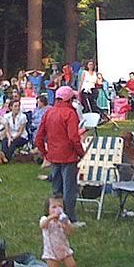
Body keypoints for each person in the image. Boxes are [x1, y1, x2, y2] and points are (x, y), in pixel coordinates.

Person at [36, 86, 86, 227]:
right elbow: (73, 137)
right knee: (69, 189)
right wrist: (80, 153)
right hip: (68, 156)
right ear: (69, 99)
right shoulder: (70, 114)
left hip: (53, 155)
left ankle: (56, 216)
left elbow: (39, 137)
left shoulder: (48, 112)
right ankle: (70, 219)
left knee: (56, 189)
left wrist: (45, 153)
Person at [40, 196, 80, 267]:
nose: (57, 209)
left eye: (60, 206)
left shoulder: (64, 220)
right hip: (51, 251)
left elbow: (70, 231)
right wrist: (51, 217)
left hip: (64, 249)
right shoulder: (45, 219)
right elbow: (42, 225)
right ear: (48, 210)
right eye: (54, 207)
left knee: (72, 266)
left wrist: (66, 225)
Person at [0, 99, 28, 164]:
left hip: (21, 136)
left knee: (13, 143)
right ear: (11, 107)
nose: (17, 108)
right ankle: (4, 157)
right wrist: (9, 138)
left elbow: (20, 131)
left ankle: (5, 157)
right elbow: (7, 129)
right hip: (10, 134)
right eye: (15, 106)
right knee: (4, 141)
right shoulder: (7, 116)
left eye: (18, 106)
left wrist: (12, 139)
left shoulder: (23, 116)